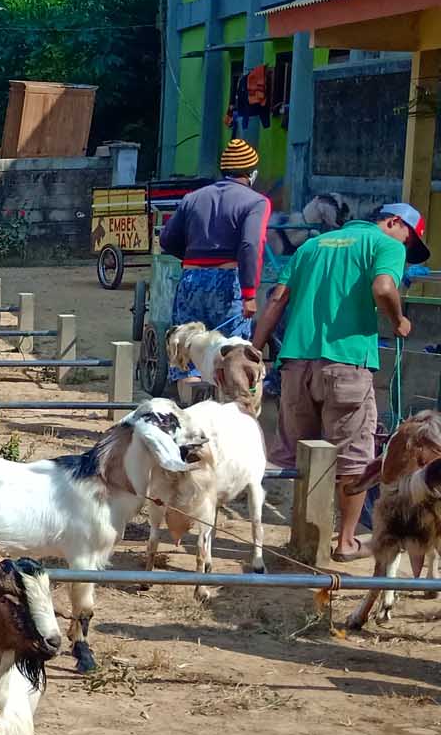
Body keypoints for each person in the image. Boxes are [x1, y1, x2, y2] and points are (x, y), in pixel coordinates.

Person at [251, 202, 428, 561]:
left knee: (301, 455)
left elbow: (277, 299)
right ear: (394, 222)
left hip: (297, 365)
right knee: (353, 459)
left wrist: (254, 350)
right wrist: (398, 321)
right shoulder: (386, 244)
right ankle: (346, 540)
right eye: (409, 241)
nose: (406, 251)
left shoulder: (313, 246)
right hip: (347, 365)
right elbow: (382, 287)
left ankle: (301, 538)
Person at [159, 138, 271, 386]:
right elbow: (250, 245)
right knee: (231, 353)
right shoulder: (256, 202)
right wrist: (250, 293)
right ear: (251, 173)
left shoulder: (192, 198)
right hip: (228, 282)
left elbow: (166, 239)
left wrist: (193, 260)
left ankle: (189, 409)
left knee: (188, 351)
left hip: (191, 280)